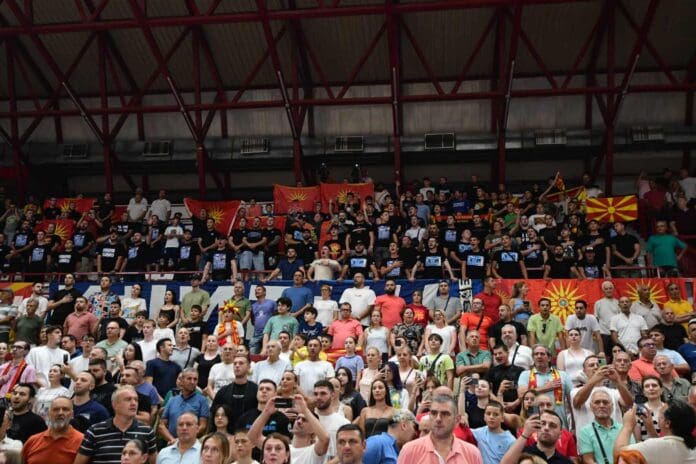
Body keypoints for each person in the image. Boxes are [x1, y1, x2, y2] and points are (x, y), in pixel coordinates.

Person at [74, 386, 157, 464]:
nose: (134, 403)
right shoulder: (95, 431)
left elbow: (154, 462)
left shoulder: (147, 432)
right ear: (115, 405)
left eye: (136, 400)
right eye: (128, 399)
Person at [398, 394, 483, 464]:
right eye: (434, 413)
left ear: (457, 420)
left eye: (445, 414)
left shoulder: (472, 453)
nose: (438, 419)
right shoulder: (409, 451)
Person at [614, 400, 696, 462]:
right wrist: (650, 427)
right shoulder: (691, 446)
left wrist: (627, 425)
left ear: (667, 423)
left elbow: (619, 454)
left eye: (661, 412)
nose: (658, 414)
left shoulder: (657, 445)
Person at [518, 345, 573, 426]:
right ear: (533, 358)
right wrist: (545, 388)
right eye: (536, 354)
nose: (539, 356)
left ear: (549, 358)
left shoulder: (563, 375)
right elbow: (522, 395)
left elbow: (572, 401)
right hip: (535, 423)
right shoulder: (525, 374)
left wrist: (573, 425)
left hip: (560, 424)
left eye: (542, 354)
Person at [22, 397, 83, 464]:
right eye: (56, 409)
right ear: (49, 414)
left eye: (65, 409)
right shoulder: (32, 441)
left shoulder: (82, 442)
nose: (60, 413)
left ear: (72, 414)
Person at [501, 410, 573, 464]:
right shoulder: (522, 454)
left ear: (560, 434)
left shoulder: (566, 462)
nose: (546, 428)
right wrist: (525, 434)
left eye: (552, 425)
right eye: (543, 423)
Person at [159, 369, 209, 443]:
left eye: (195, 379)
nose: (192, 382)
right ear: (182, 380)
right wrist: (173, 440)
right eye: (189, 379)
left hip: (191, 443)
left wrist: (184, 439)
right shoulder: (172, 400)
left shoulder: (202, 400)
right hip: (171, 443)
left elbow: (203, 426)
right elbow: (161, 426)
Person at [211, 355, 258, 429]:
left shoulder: (256, 390)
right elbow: (214, 413)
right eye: (235, 363)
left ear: (249, 367)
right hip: (227, 431)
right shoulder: (223, 391)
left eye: (241, 363)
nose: (237, 366)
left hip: (249, 430)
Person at [313, 380, 350, 459]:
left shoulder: (344, 423)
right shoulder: (306, 420)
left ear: (332, 395)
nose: (318, 397)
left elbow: (347, 452)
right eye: (316, 394)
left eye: (323, 393)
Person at [594, 281, 620, 353]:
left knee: (618, 354)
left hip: (617, 334)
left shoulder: (618, 302)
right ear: (603, 291)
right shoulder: (598, 303)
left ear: (613, 289)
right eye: (606, 289)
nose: (609, 290)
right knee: (605, 355)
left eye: (610, 288)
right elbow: (596, 319)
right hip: (604, 334)